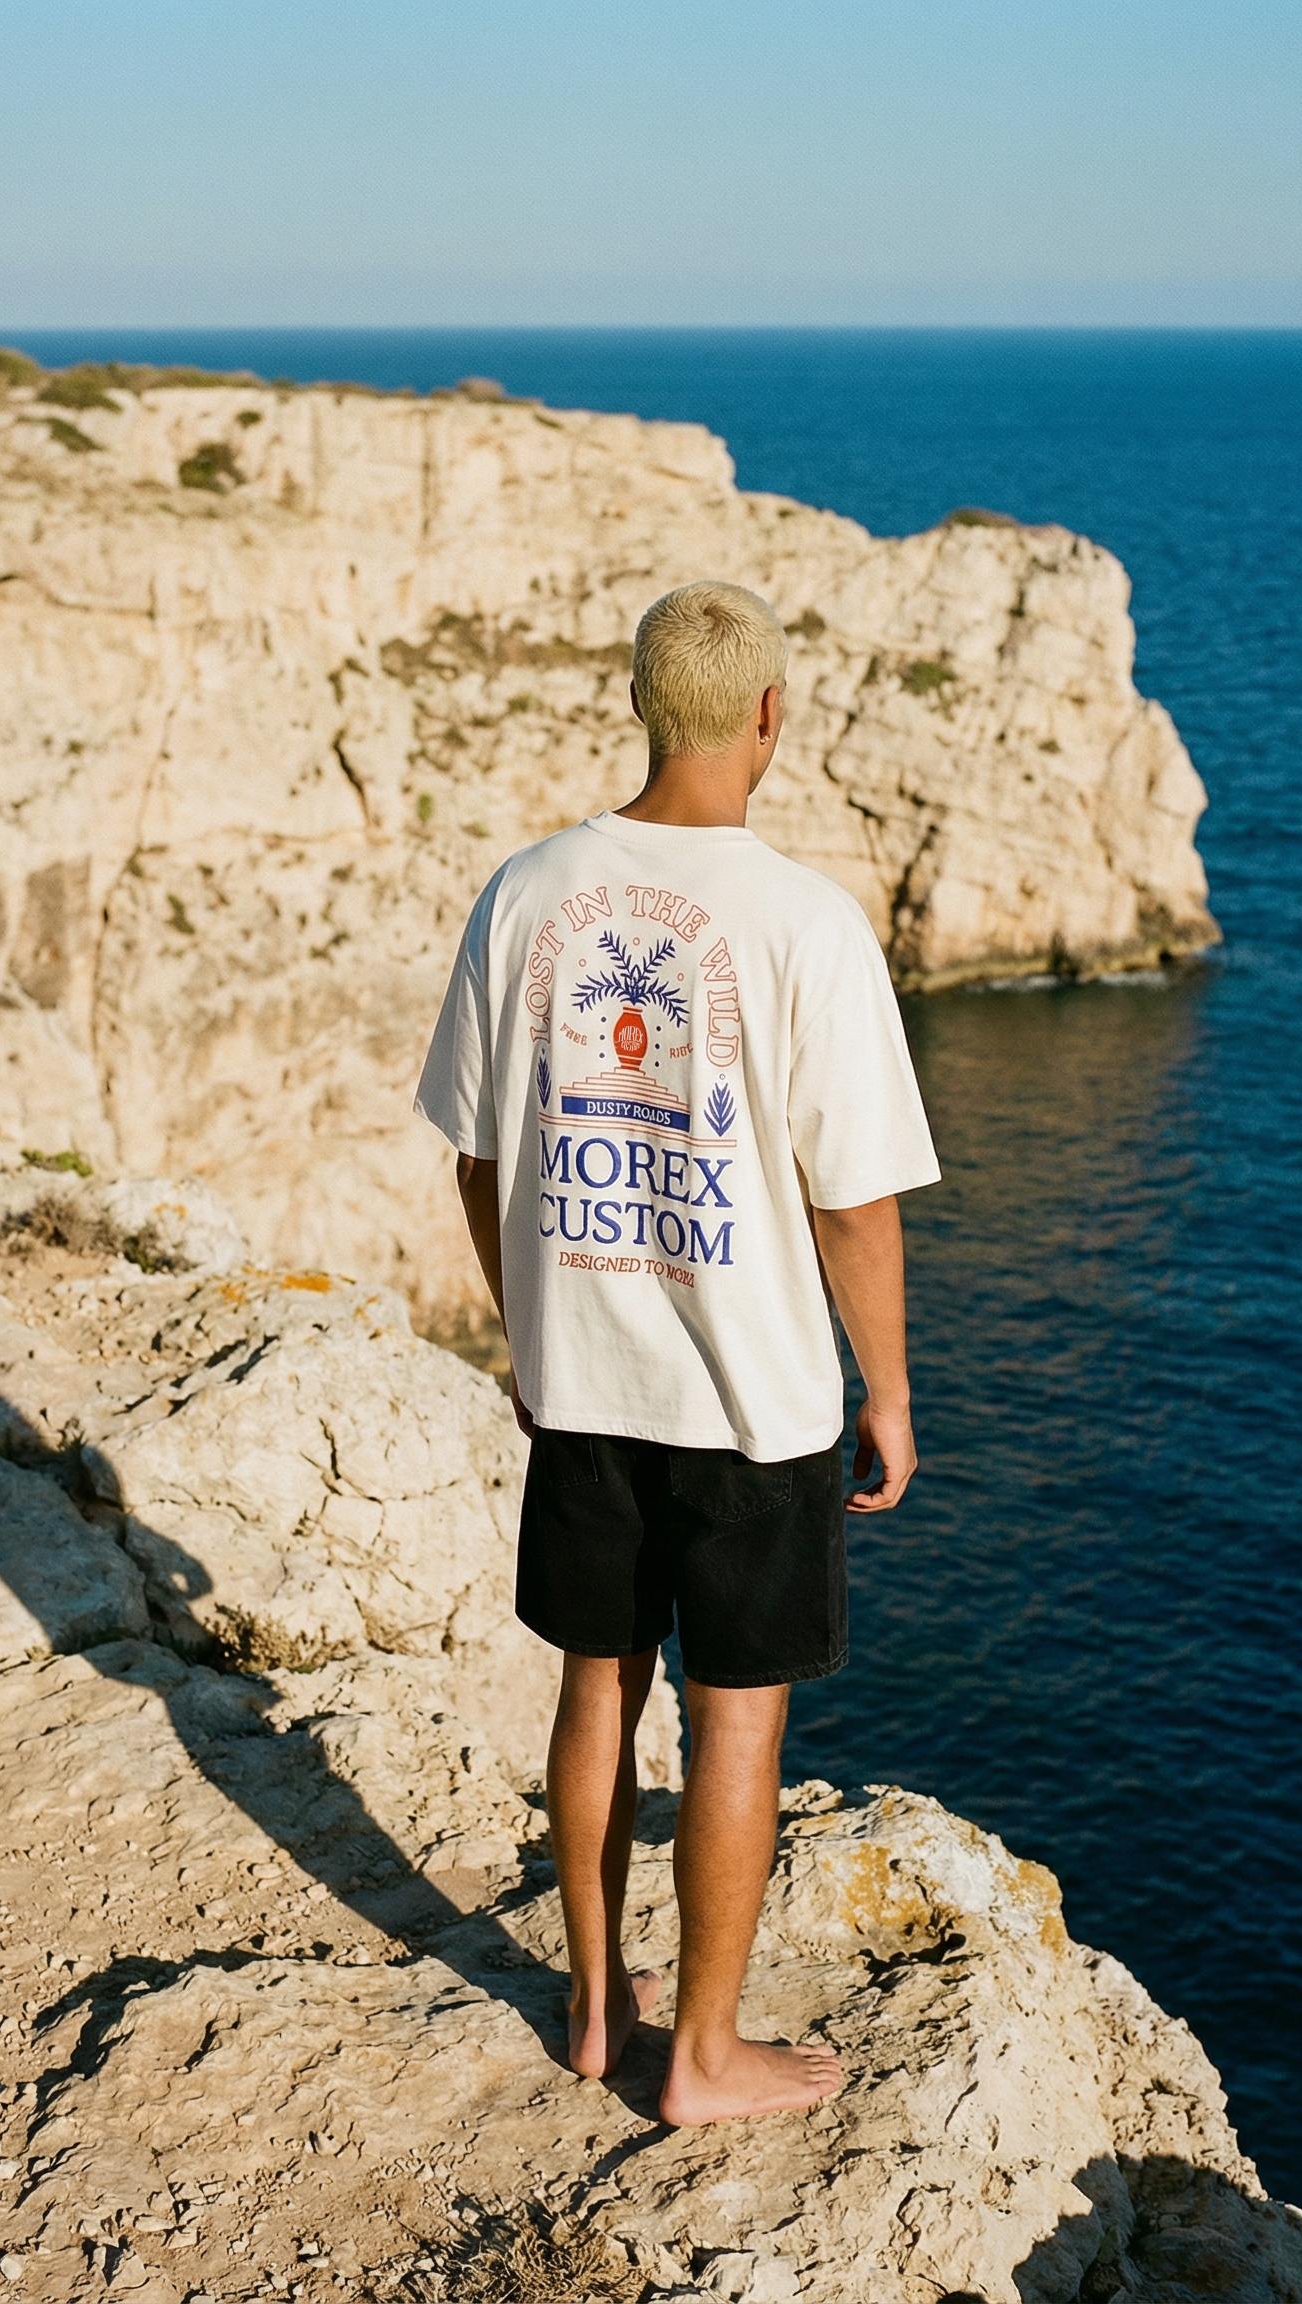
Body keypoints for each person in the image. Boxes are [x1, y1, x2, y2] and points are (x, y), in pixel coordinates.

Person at [413, 580, 941, 2125]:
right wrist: (891, 1390)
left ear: (640, 705)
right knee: (738, 1717)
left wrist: (529, 1331)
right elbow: (853, 1205)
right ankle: (702, 2055)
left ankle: (593, 2008)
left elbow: (478, 1160)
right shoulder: (807, 924)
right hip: (754, 1404)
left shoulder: (526, 891)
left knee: (597, 1685)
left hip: (582, 1383)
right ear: (770, 715)